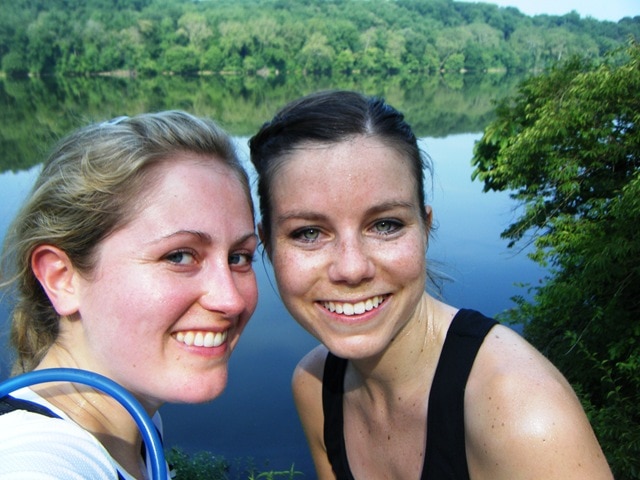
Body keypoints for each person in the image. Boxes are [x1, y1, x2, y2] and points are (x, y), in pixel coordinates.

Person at [249, 90, 613, 480]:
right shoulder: (315, 386)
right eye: (307, 233)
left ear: (425, 228)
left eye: (385, 225)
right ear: (267, 244)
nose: (352, 269)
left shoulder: (523, 416)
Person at [0, 111, 258, 479]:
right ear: (61, 279)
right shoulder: (36, 462)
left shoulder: (132, 420)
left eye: (239, 257)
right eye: (179, 256)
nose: (231, 300)